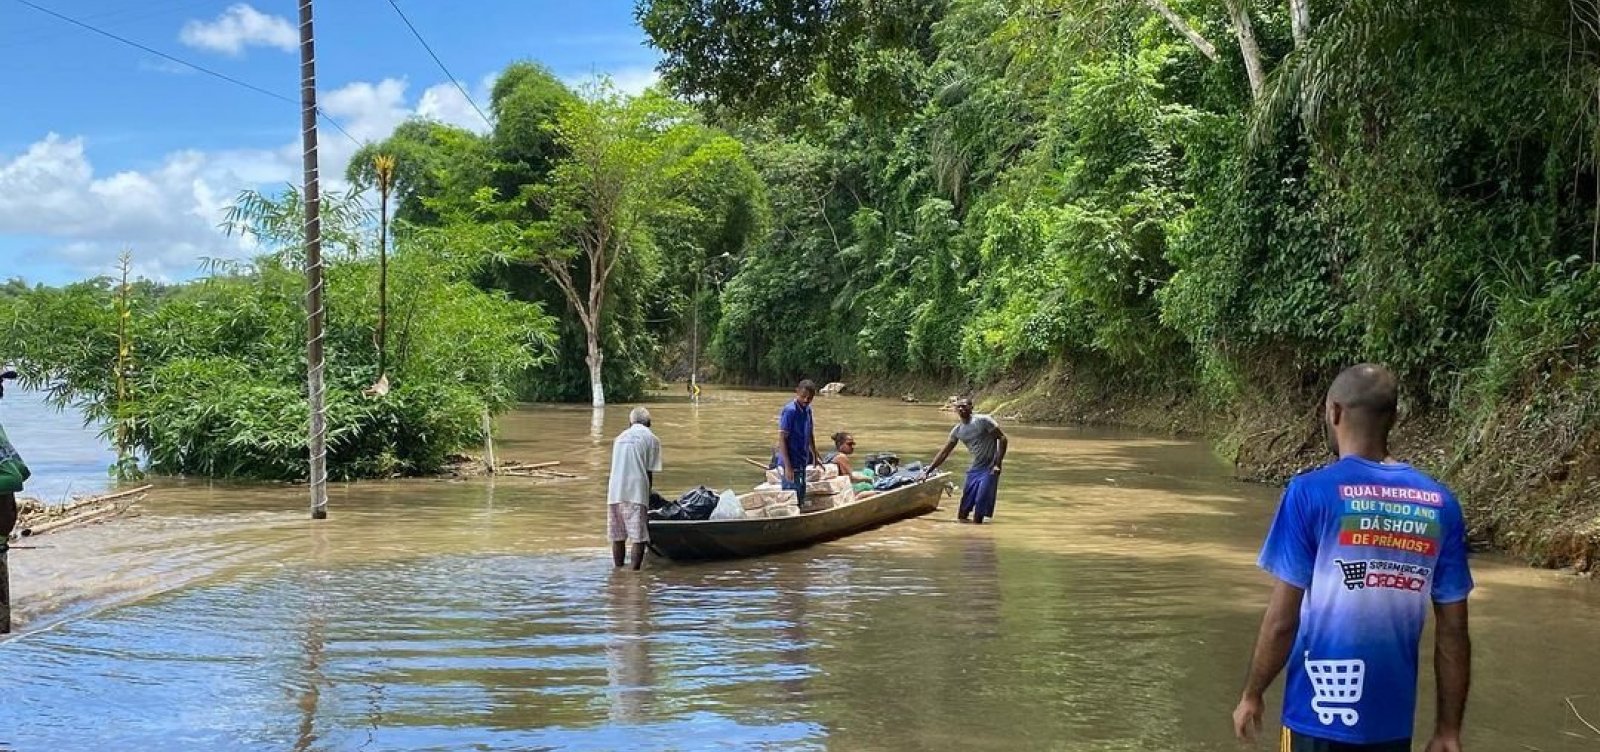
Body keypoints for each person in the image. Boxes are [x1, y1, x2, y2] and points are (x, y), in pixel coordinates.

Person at [1232, 364, 1473, 752]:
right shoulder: (1440, 503)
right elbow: (1453, 630)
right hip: (1390, 723)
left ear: (1334, 412)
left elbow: (1281, 621)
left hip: (1317, 715)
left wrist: (1252, 693)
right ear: (1394, 418)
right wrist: (1448, 729)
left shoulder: (1310, 493)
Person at [925, 397, 1007, 524]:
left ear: (971, 407)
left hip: (989, 468)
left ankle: (977, 531)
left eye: (964, 406)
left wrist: (998, 463)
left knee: (980, 504)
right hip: (975, 469)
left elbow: (1002, 438)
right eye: (959, 407)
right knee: (963, 512)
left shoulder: (983, 421)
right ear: (956, 410)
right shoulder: (957, 430)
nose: (961, 409)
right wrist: (928, 471)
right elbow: (944, 452)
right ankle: (965, 531)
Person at [607, 406, 661, 571]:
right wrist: (648, 495)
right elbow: (649, 471)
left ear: (630, 422)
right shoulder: (652, 439)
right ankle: (635, 574)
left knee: (618, 535)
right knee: (639, 537)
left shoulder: (619, 438)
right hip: (636, 492)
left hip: (615, 492)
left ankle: (618, 572)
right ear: (649, 423)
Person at [774, 380, 821, 507]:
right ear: (797, 392)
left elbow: (809, 433)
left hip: (801, 459)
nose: (806, 400)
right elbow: (782, 439)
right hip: (790, 460)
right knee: (790, 496)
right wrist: (788, 466)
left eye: (809, 398)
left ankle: (800, 509)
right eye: (803, 396)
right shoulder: (790, 411)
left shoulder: (807, 410)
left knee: (801, 492)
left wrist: (815, 455)